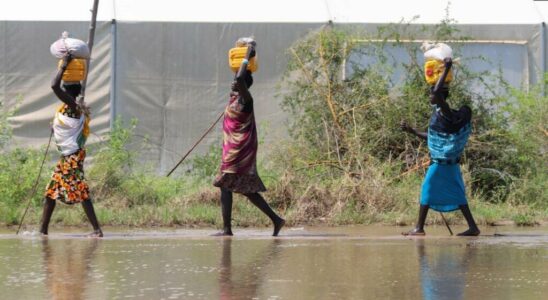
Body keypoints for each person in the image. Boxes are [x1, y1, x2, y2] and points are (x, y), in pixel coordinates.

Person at [400, 55, 480, 236]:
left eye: (432, 93)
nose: (430, 96)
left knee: (427, 189)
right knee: (457, 194)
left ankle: (419, 228)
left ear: (440, 96)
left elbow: (436, 93)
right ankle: (473, 227)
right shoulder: (441, 114)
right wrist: (412, 131)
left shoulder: (448, 113)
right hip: (448, 163)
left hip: (440, 164)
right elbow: (435, 137)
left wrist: (446, 68)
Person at [213, 38, 285, 236]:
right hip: (234, 150)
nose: (233, 84)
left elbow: (239, 79)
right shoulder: (234, 100)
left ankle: (228, 229)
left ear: (243, 86)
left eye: (236, 84)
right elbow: (237, 78)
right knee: (239, 188)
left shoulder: (246, 100)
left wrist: (247, 55)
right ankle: (275, 220)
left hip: (240, 151)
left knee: (228, 185)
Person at [39, 54, 103, 237]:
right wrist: (56, 129)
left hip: (72, 157)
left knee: (81, 191)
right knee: (51, 192)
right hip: (68, 156)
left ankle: (97, 231)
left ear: (67, 92)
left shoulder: (74, 105)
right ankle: (43, 231)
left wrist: (64, 65)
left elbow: (53, 85)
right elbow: (68, 128)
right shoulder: (71, 108)